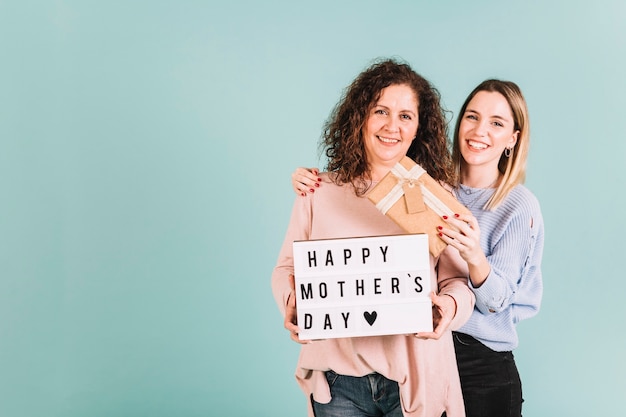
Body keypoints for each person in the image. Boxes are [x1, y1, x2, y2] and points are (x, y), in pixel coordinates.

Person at [291, 79, 544, 417]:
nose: (480, 130)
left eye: (497, 123)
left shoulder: (517, 205)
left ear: (513, 139)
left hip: (481, 362)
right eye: (472, 117)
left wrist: (472, 257)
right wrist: (314, 183)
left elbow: (498, 303)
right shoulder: (426, 187)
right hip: (425, 356)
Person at [272, 58, 475, 417]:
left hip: (414, 379)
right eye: (381, 111)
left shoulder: (436, 196)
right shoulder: (319, 190)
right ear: (360, 118)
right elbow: (286, 267)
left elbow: (458, 280)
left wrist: (449, 308)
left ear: (418, 129)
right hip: (338, 384)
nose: (391, 126)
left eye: (405, 116)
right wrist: (292, 301)